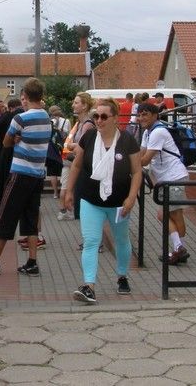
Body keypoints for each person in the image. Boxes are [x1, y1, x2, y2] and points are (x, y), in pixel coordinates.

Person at [0, 77, 51, 277]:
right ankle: (32, 262)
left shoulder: (21, 118)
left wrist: (16, 138)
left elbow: (6, 142)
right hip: (37, 175)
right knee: (31, 218)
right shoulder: (47, 117)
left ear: (25, 96)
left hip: (20, 174)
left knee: (5, 217)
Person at [62, 98, 141, 303]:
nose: (99, 120)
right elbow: (77, 165)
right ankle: (89, 286)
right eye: (96, 116)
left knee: (122, 240)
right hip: (90, 199)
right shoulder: (88, 137)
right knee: (91, 241)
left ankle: (122, 276)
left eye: (104, 116)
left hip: (118, 203)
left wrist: (131, 198)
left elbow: (137, 171)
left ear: (115, 118)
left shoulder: (127, 140)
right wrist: (68, 190)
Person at [137, 102, 191, 265]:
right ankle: (179, 248)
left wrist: (129, 163)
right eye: (139, 115)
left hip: (174, 177)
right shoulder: (148, 132)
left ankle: (179, 248)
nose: (141, 118)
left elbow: (145, 159)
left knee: (172, 214)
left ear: (155, 115)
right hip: (165, 179)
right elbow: (141, 153)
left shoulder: (158, 132)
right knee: (165, 214)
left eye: (145, 114)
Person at [58, 93, 95, 221]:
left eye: (76, 102)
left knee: (85, 207)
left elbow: (81, 147)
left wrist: (71, 145)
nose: (73, 105)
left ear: (84, 106)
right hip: (77, 164)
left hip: (83, 168)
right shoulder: (79, 123)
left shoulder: (88, 125)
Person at [47, 105, 71, 200]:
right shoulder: (66, 121)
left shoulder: (49, 121)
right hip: (63, 148)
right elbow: (69, 134)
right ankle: (63, 189)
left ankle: (55, 193)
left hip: (52, 148)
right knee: (64, 169)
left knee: (53, 172)